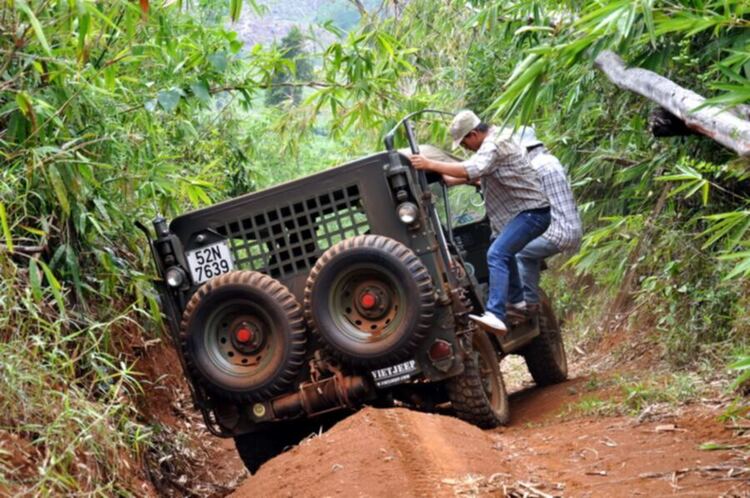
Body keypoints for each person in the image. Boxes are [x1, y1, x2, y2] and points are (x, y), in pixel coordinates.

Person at [409, 110, 550, 335]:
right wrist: (440, 180)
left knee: (496, 253)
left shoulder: (494, 144)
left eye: (465, 144)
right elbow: (469, 175)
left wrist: (430, 164)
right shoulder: (493, 145)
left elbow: (472, 169)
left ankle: (496, 314)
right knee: (500, 245)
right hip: (523, 214)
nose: (467, 149)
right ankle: (517, 302)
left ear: (474, 134)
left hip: (532, 213)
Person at [507, 127, 582, 316]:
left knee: (514, 250)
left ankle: (527, 303)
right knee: (526, 253)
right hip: (571, 228)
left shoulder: (535, 167)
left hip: (558, 231)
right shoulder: (550, 161)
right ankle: (530, 300)